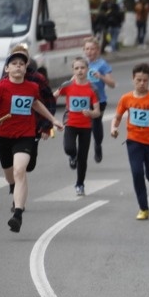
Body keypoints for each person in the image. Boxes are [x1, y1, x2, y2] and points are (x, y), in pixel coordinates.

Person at [0, 46, 64, 233]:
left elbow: (36, 103)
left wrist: (53, 120)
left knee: (20, 170)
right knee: (10, 175)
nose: (18, 67)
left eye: (21, 64)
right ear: (7, 69)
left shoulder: (32, 87)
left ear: (26, 68)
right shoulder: (0, 87)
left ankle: (17, 214)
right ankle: (13, 188)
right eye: (14, 64)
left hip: (25, 135)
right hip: (3, 136)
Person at [110, 63, 149, 219]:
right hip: (134, 141)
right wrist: (114, 128)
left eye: (145, 80)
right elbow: (117, 117)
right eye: (138, 80)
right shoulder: (126, 98)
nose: (142, 83)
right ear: (133, 79)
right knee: (137, 173)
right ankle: (143, 208)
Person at [54, 56, 99, 196]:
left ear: (87, 69)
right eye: (77, 68)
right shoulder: (67, 86)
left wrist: (90, 113)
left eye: (83, 68)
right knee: (69, 148)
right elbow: (53, 96)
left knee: (83, 157)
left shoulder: (92, 88)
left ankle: (80, 184)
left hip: (86, 126)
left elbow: (97, 112)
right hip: (71, 123)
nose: (80, 71)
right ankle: (72, 156)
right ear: (73, 70)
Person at [82, 37, 116, 164]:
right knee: (80, 126)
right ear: (83, 50)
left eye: (92, 49)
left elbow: (112, 84)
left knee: (96, 124)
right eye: (87, 49)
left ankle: (97, 145)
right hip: (83, 100)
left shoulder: (102, 64)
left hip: (99, 100)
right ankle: (75, 153)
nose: (90, 51)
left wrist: (100, 76)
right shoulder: (81, 65)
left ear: (97, 50)